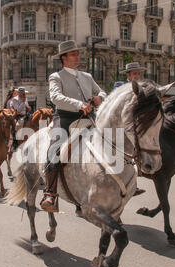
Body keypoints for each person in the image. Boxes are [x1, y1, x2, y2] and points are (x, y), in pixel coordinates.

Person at [41, 40, 107, 213]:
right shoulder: (56, 77)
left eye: (77, 53)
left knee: (113, 141)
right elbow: (55, 97)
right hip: (64, 118)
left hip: (88, 117)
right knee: (54, 150)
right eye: (73, 54)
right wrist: (79, 104)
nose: (77, 56)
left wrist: (99, 98)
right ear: (64, 58)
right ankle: (50, 194)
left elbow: (101, 92)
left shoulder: (87, 77)